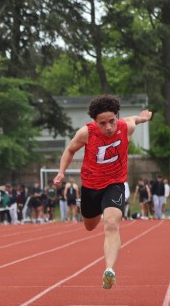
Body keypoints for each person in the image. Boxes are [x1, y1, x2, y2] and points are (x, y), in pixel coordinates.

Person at [53, 95, 152, 289]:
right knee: (90, 226)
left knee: (112, 223)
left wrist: (144, 117)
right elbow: (70, 151)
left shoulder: (126, 127)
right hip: (90, 186)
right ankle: (98, 209)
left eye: (112, 121)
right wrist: (61, 172)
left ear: (117, 117)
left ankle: (109, 270)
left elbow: (134, 119)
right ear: (94, 122)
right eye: (102, 123)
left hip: (114, 184)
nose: (108, 127)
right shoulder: (86, 133)